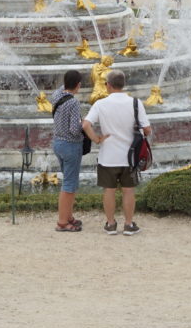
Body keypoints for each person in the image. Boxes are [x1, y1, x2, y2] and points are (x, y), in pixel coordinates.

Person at [81, 70, 151, 236]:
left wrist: (96, 139)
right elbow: (147, 130)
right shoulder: (135, 102)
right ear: (123, 84)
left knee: (109, 190)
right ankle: (128, 224)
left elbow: (85, 124)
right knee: (128, 190)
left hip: (108, 155)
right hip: (130, 156)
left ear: (108, 85)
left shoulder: (100, 104)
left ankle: (111, 224)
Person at [50, 69, 86, 232]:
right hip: (71, 146)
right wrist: (84, 124)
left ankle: (69, 215)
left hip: (58, 143)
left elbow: (62, 86)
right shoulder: (73, 103)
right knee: (69, 185)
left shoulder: (57, 95)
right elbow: (74, 129)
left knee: (68, 181)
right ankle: (63, 222)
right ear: (78, 85)